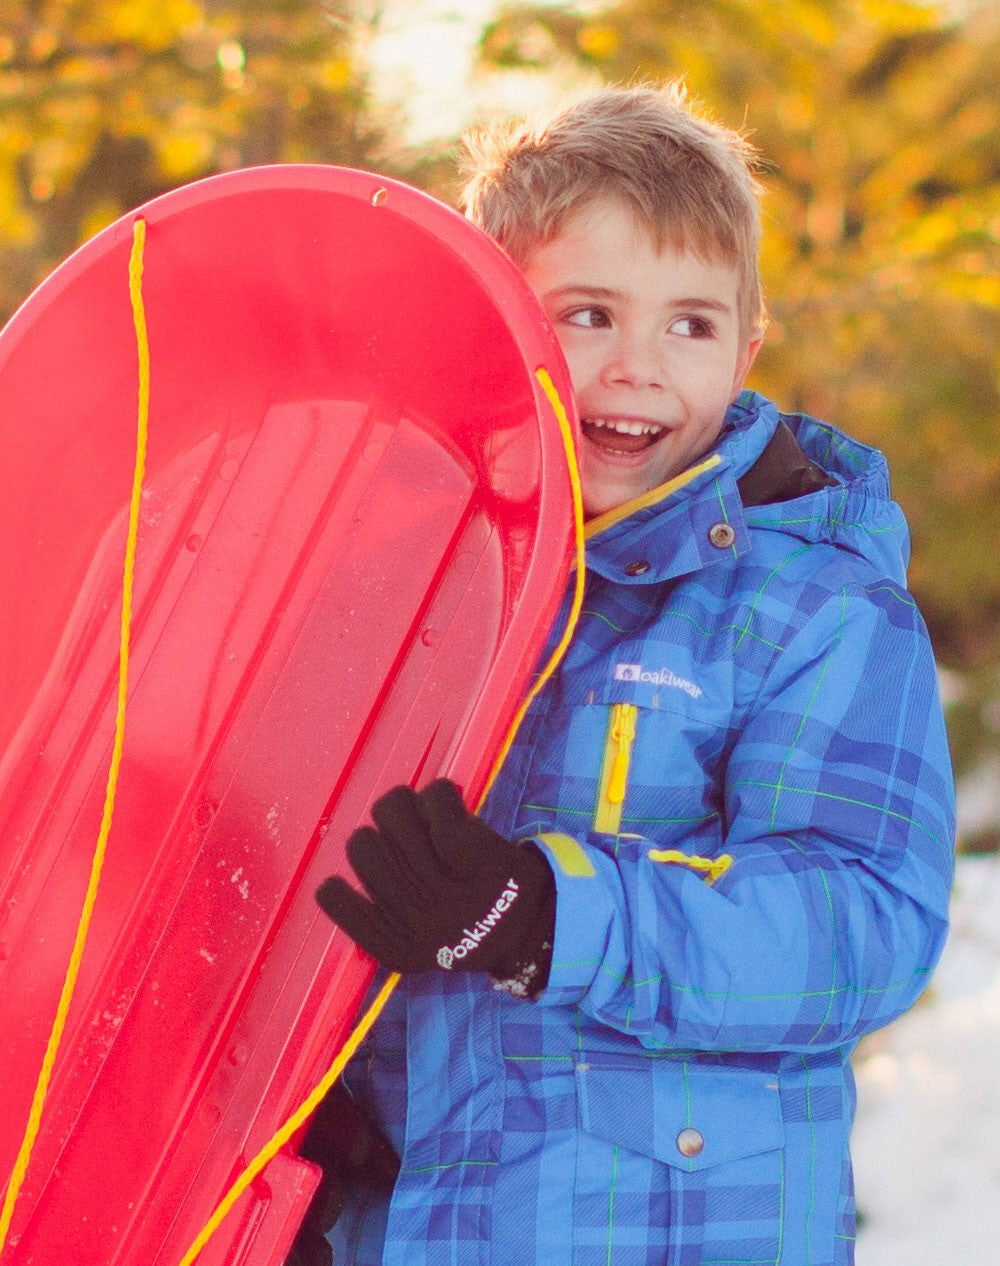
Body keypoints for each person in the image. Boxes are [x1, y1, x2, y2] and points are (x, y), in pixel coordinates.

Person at [294, 82, 955, 1266]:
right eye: (587, 314)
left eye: (689, 325)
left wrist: (546, 916)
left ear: (746, 350)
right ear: (490, 323)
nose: (640, 365)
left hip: (676, 1234)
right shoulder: (405, 598)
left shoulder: (815, 606)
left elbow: (856, 928)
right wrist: (304, 1131)